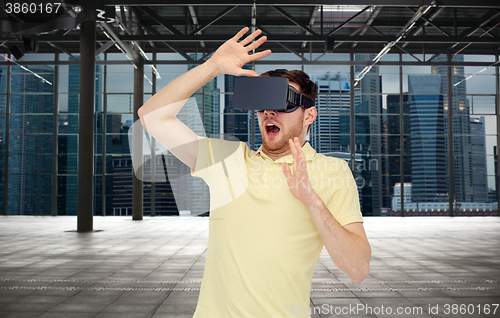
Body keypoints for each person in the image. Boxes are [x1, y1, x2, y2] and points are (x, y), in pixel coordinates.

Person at [138, 27, 371, 318]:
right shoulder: (228, 160)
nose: (269, 112)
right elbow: (152, 116)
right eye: (262, 103)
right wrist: (212, 66)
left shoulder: (332, 171)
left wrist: (312, 200)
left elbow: (358, 269)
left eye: (282, 102)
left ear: (309, 114)